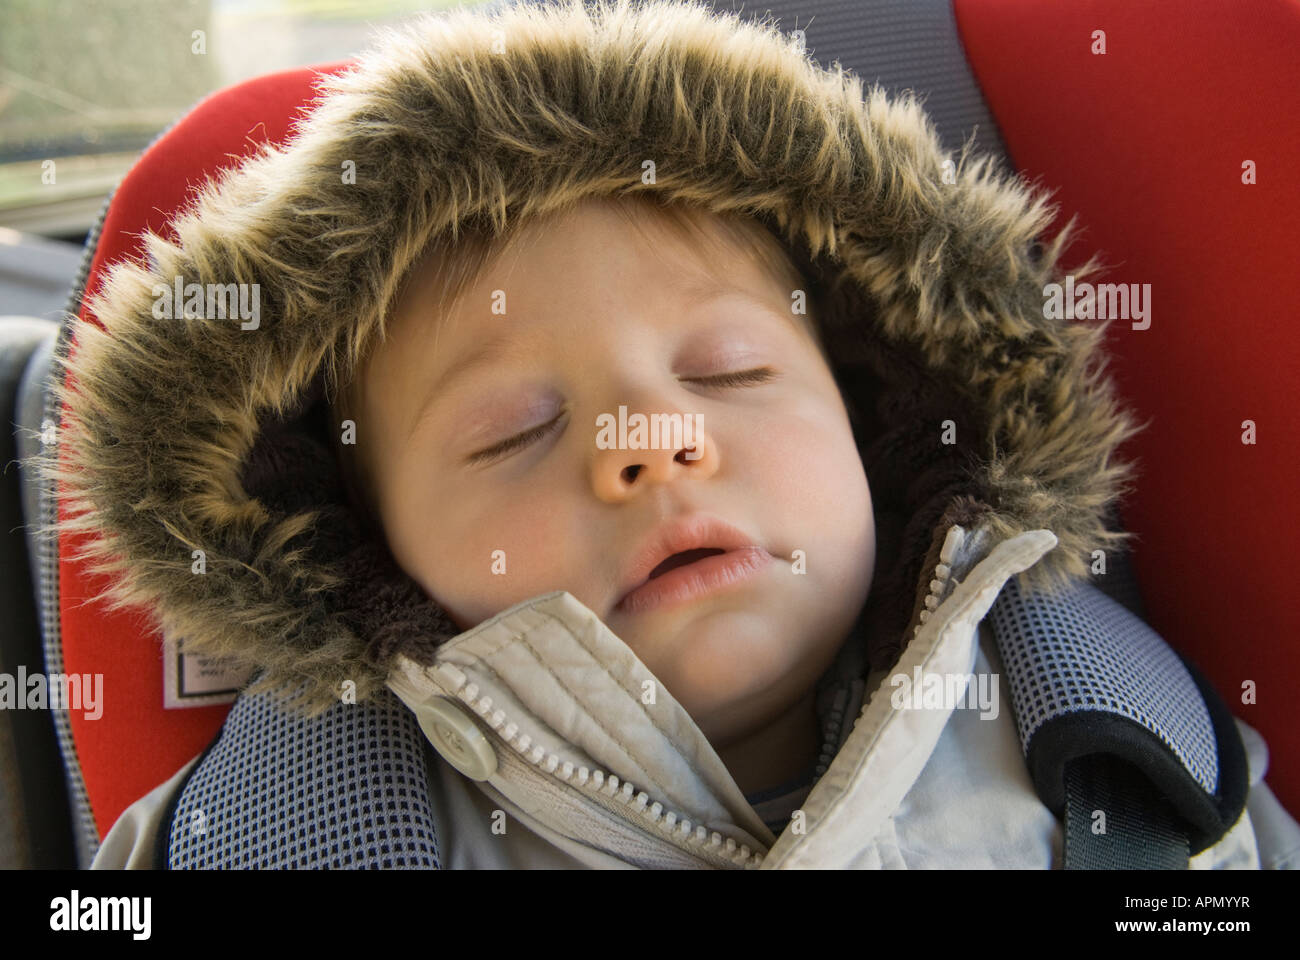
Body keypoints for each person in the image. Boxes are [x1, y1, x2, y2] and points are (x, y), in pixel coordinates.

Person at [53, 0, 1295, 869]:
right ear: (367, 554)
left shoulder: (1118, 748)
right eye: (512, 432)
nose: (651, 440)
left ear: (874, 423)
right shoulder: (286, 831)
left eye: (730, 369)